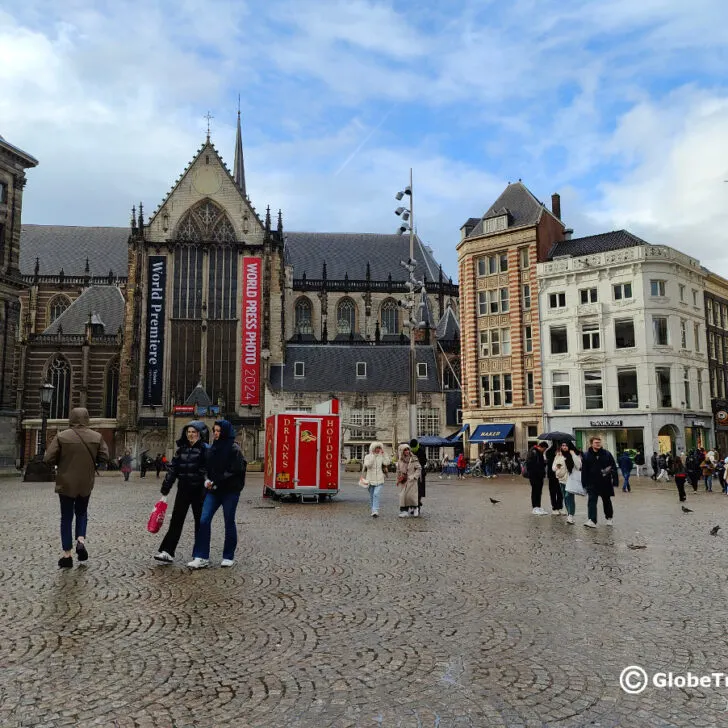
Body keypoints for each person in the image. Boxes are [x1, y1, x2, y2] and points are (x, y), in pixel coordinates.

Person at [43, 408, 110, 568]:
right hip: (85, 482)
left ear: (71, 418)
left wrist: (62, 461)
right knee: (82, 512)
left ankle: (67, 555)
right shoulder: (97, 436)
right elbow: (105, 457)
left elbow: (48, 458)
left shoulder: (62, 436)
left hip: (66, 482)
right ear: (87, 418)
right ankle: (80, 540)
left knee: (66, 517)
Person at [188, 420, 246, 569]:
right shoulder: (212, 448)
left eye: (219, 431)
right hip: (213, 491)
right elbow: (206, 468)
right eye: (215, 430)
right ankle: (201, 556)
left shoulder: (234, 450)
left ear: (225, 432)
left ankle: (228, 556)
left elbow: (235, 471)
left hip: (230, 491)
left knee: (229, 521)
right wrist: (206, 479)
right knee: (204, 520)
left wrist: (217, 481)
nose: (215, 433)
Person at [154, 422, 209, 564]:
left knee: (200, 522)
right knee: (176, 521)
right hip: (183, 489)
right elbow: (173, 469)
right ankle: (167, 551)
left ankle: (200, 555)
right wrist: (166, 487)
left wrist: (204, 480)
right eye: (188, 432)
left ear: (200, 434)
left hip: (199, 491)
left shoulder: (205, 449)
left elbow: (209, 469)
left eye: (193, 432)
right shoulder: (181, 450)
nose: (190, 434)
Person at [581, 436, 618, 528]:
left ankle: (609, 518)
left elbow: (613, 466)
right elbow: (584, 470)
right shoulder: (586, 455)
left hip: (605, 482)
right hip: (592, 483)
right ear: (591, 444)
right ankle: (592, 520)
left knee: (606, 501)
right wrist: (584, 483)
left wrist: (614, 480)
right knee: (592, 501)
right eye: (596, 442)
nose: (598, 444)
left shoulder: (607, 454)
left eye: (599, 442)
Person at [552, 442, 582, 524]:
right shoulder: (558, 455)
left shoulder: (574, 455)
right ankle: (569, 513)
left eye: (566, 445)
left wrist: (573, 454)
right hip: (561, 479)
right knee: (565, 498)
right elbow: (553, 468)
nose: (564, 447)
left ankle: (571, 515)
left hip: (571, 480)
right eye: (562, 445)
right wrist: (557, 467)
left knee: (569, 497)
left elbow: (579, 465)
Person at [361, 441, 387, 517]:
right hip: (370, 480)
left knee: (376, 494)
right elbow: (368, 465)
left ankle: (375, 510)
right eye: (376, 448)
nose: (378, 449)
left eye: (379, 448)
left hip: (380, 479)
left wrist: (384, 454)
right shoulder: (367, 457)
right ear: (373, 448)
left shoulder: (381, 456)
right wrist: (372, 456)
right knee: (372, 495)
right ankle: (373, 510)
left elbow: (387, 462)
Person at [396, 443, 421, 517]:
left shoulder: (413, 458)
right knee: (403, 496)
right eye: (405, 450)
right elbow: (398, 470)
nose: (407, 451)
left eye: (407, 449)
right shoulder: (400, 460)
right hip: (403, 480)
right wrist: (398, 479)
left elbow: (419, 468)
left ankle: (415, 508)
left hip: (411, 480)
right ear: (402, 451)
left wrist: (414, 477)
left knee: (411, 496)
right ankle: (404, 511)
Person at [526, 441, 548, 515]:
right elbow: (530, 464)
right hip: (534, 476)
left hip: (539, 475)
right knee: (535, 491)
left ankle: (538, 506)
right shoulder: (534, 452)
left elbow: (540, 463)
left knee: (539, 491)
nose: (544, 451)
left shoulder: (539, 452)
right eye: (544, 449)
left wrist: (544, 463)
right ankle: (535, 507)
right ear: (542, 447)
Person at [545, 442, 564, 515]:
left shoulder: (562, 451)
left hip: (561, 475)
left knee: (560, 492)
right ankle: (554, 507)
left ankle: (560, 507)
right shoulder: (549, 451)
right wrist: (555, 456)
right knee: (553, 492)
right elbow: (549, 463)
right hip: (552, 475)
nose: (559, 446)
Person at [409, 439, 427, 513]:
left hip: (420, 474)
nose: (413, 449)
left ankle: (417, 506)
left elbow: (424, 461)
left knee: (419, 490)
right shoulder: (409, 451)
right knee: (411, 491)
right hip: (411, 473)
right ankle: (414, 506)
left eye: (414, 447)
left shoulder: (421, 451)